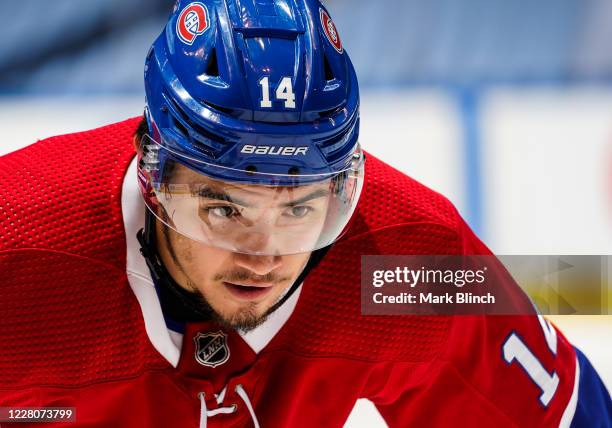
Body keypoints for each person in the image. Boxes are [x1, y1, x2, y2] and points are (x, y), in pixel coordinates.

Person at [0, 1, 610, 427]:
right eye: (223, 208)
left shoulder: (406, 267)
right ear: (155, 177)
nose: (263, 253)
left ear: (344, 189)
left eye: (300, 207)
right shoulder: (17, 243)